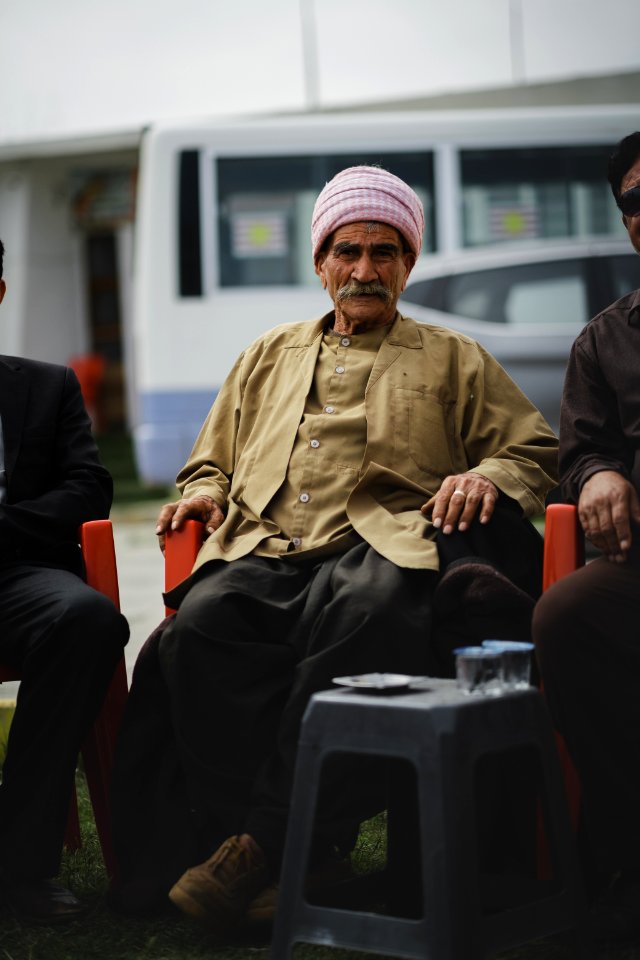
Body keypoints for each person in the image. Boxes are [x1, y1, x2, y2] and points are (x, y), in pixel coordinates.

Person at [110, 166, 557, 932]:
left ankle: (259, 848)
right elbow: (209, 460)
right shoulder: (265, 355)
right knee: (201, 626)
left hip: (381, 543)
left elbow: (531, 451)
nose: (364, 270)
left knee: (369, 610)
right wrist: (207, 492)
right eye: (347, 252)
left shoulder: (454, 356)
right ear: (320, 263)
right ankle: (294, 855)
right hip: (265, 546)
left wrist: (485, 475)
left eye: (385, 253)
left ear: (408, 264)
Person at [0, 240, 129, 922]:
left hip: (15, 572)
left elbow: (89, 490)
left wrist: (6, 524)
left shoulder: (45, 386)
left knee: (89, 619)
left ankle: (20, 865)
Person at [532, 131, 640, 943]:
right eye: (633, 202)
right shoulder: (604, 339)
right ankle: (623, 847)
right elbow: (579, 449)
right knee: (563, 615)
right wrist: (599, 472)